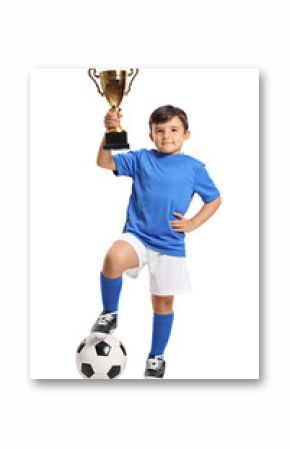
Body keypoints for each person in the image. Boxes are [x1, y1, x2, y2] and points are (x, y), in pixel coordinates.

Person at [91, 104, 221, 379]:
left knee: (162, 304)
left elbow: (214, 199)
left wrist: (193, 223)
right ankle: (109, 313)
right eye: (159, 130)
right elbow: (105, 162)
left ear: (186, 134)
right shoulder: (141, 159)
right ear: (151, 135)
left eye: (173, 130)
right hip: (137, 235)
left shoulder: (194, 168)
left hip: (170, 245)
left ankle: (156, 356)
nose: (166, 136)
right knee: (113, 257)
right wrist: (109, 130)